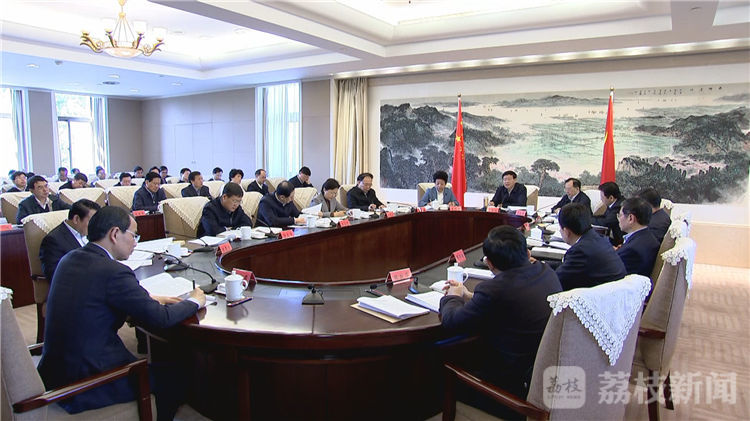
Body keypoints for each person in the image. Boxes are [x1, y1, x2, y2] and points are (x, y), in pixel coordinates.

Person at [37, 206, 205, 418]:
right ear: (115, 233)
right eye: (134, 235)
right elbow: (160, 318)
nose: (135, 243)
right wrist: (195, 301)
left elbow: (94, 299)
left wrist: (148, 298)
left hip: (55, 372)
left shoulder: (70, 258)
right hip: (87, 382)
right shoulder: (114, 271)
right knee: (177, 376)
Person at [440, 226, 562, 412]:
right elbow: (510, 301)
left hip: (510, 389)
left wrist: (453, 296)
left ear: (489, 263)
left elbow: (451, 322)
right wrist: (469, 295)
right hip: (542, 378)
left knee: (441, 376)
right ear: (528, 253)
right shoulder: (546, 272)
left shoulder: (494, 290)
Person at [555, 203, 626, 290]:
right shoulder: (598, 238)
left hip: (601, 295)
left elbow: (556, 280)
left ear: (566, 231)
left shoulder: (580, 250)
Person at [39, 199, 101, 282]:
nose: (95, 225)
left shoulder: (92, 232)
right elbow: (55, 276)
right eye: (92, 221)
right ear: (76, 219)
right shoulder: (53, 241)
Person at [616, 198, 660, 277]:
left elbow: (613, 274)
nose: (618, 219)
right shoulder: (648, 237)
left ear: (630, 218)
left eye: (619, 215)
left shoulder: (632, 250)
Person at [592, 181, 625, 246]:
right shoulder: (613, 203)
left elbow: (606, 222)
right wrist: (591, 217)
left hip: (621, 242)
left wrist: (589, 220)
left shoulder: (619, 206)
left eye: (602, 197)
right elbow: (604, 216)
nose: (601, 199)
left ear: (611, 198)